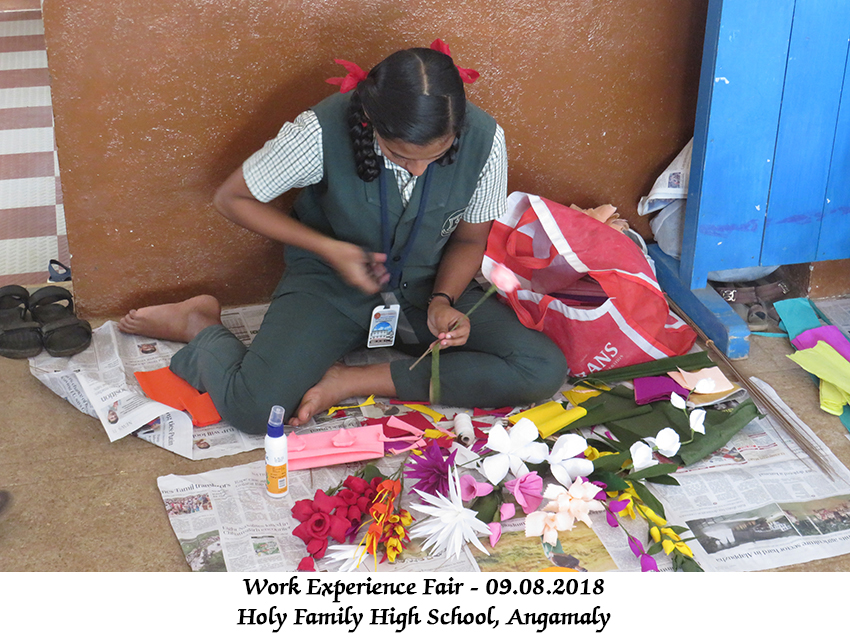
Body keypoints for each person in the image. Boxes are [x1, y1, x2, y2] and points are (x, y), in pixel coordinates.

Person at [119, 42, 567, 434]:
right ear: (371, 121)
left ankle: (351, 380)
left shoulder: (485, 138)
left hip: (425, 287)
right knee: (257, 410)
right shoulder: (321, 130)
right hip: (331, 287)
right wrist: (329, 249)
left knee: (543, 368)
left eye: (437, 155)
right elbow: (231, 198)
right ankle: (199, 325)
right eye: (401, 156)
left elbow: (470, 240)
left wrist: (443, 301)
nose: (418, 170)